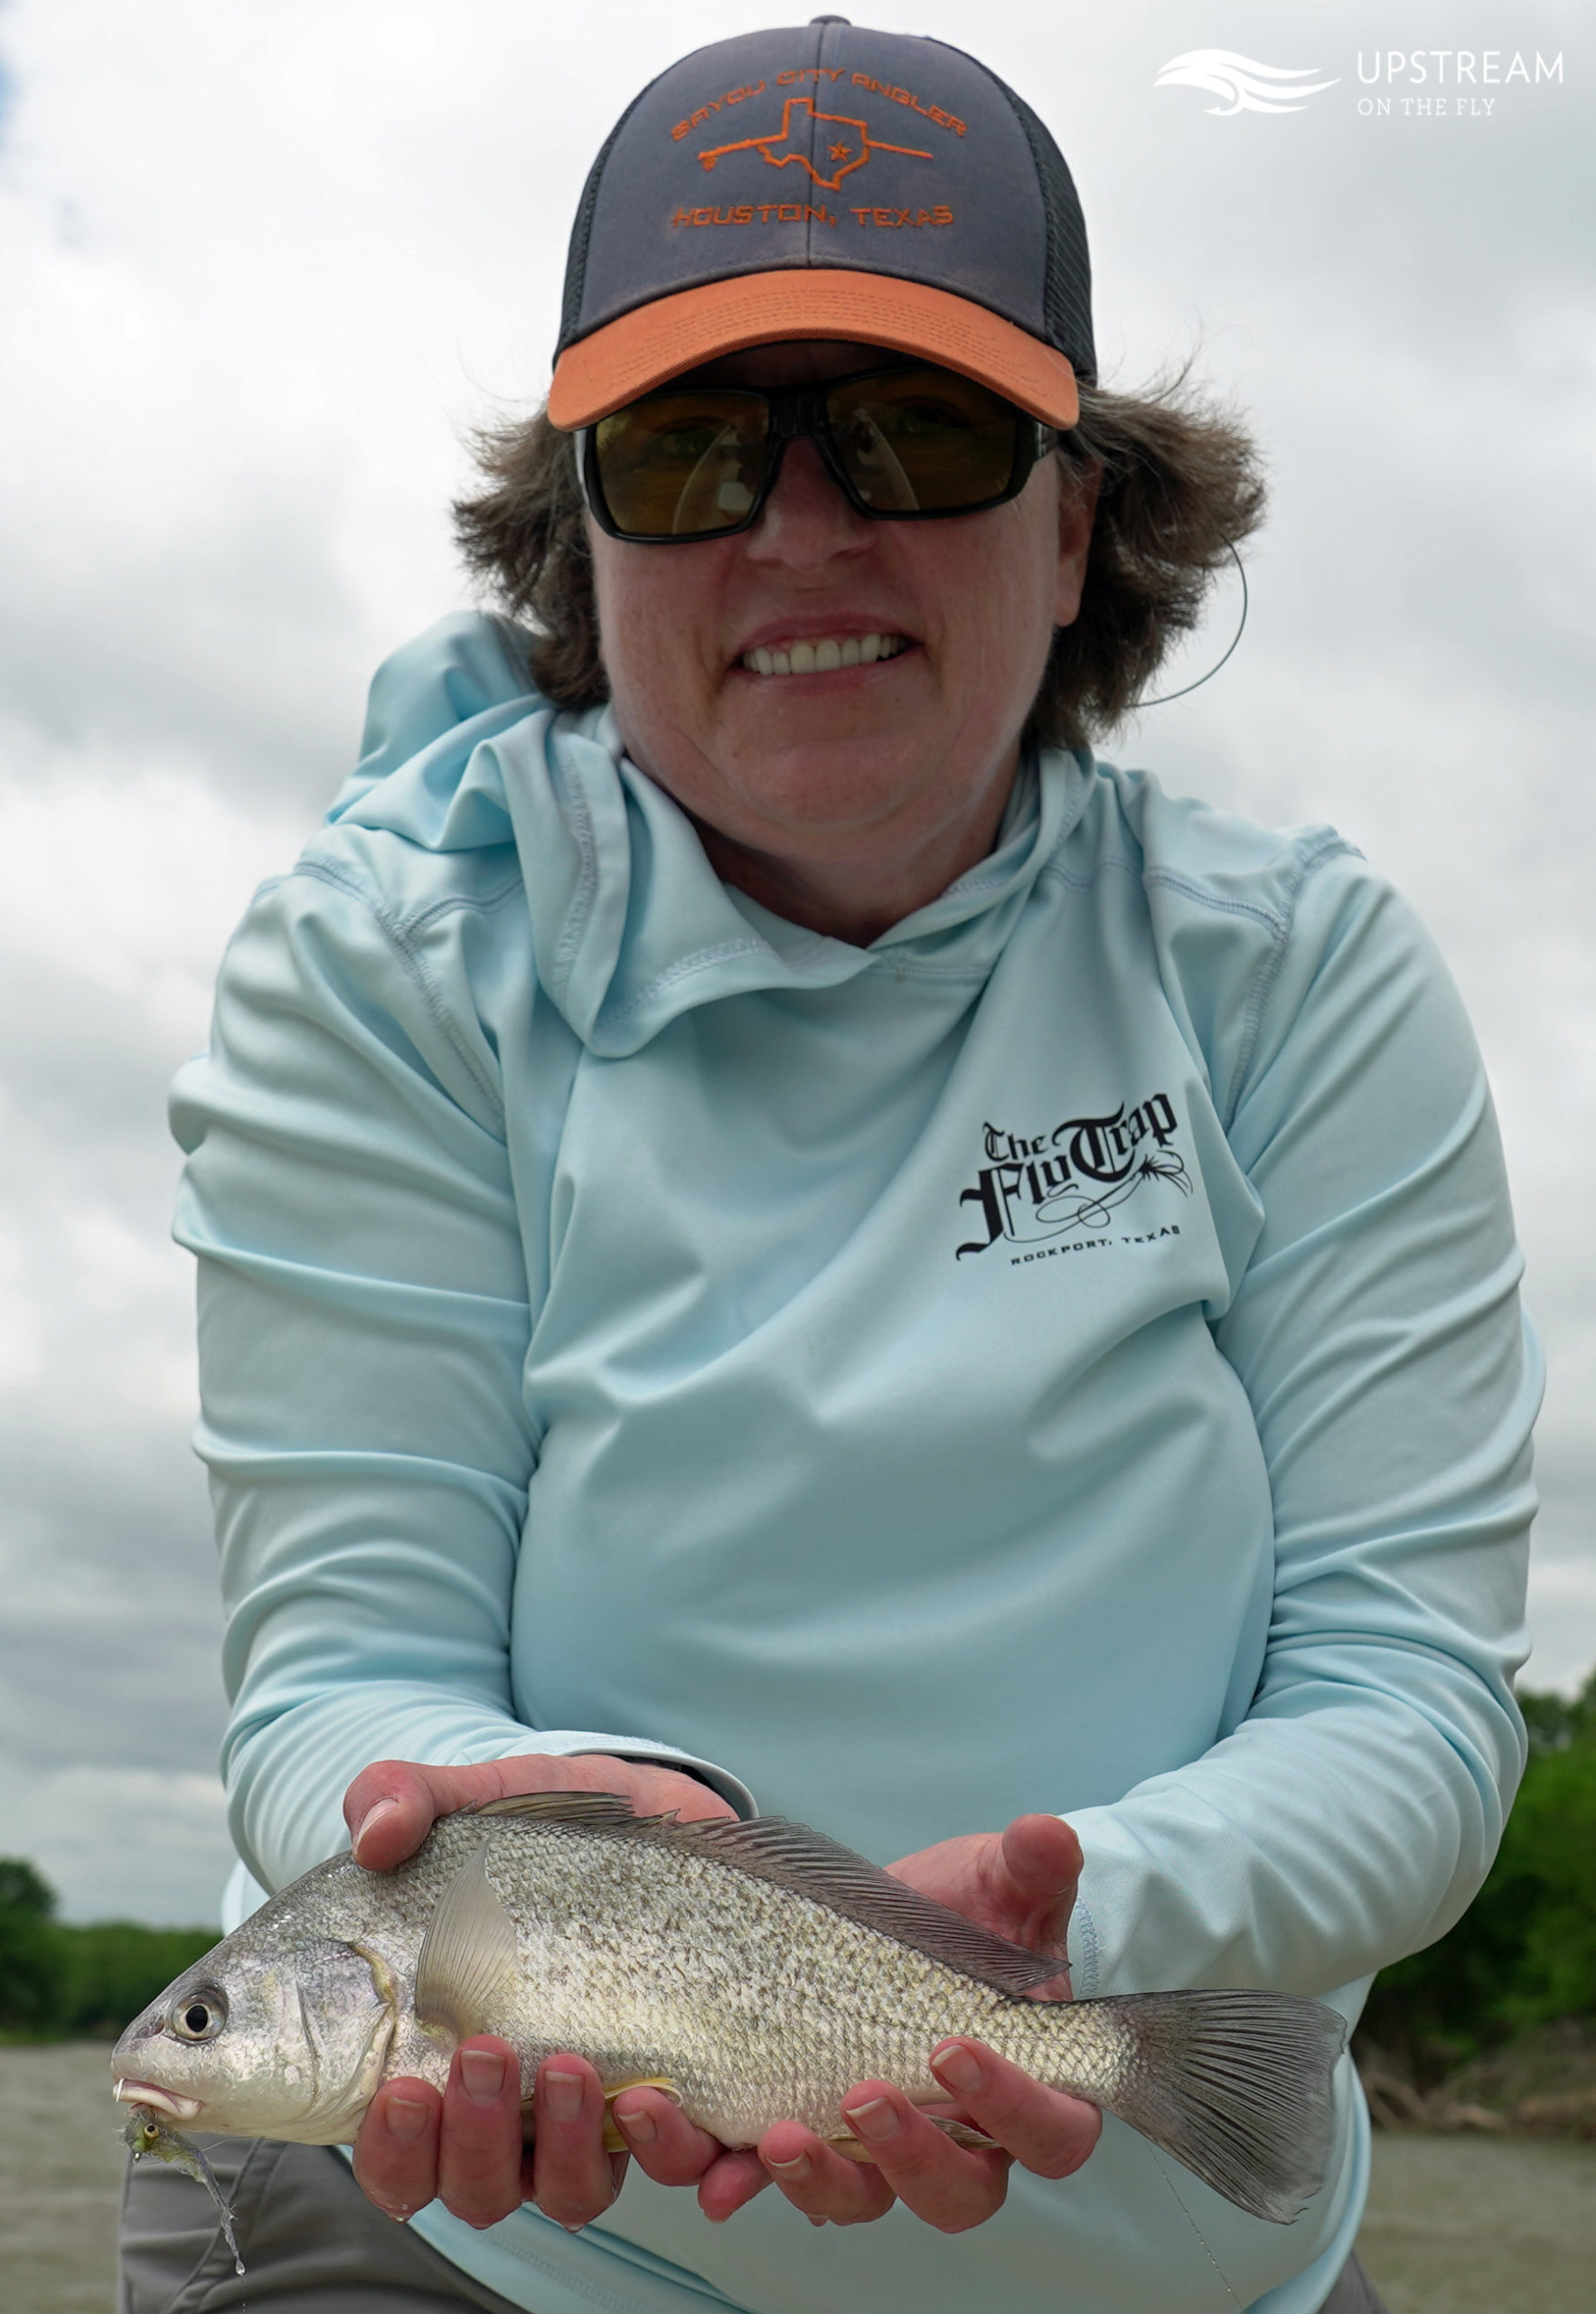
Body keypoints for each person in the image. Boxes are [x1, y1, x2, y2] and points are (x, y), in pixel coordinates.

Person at [121, 19, 1537, 2314]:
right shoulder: (378, 963)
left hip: (1200, 2242)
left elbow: (1409, 1691)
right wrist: (510, 1829)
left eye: (915, 430)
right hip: (473, 2238)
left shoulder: (1299, 970)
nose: (801, 525)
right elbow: (338, 1664)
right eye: (686, 450)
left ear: (1083, 519)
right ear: (575, 542)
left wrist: (1062, 1916)